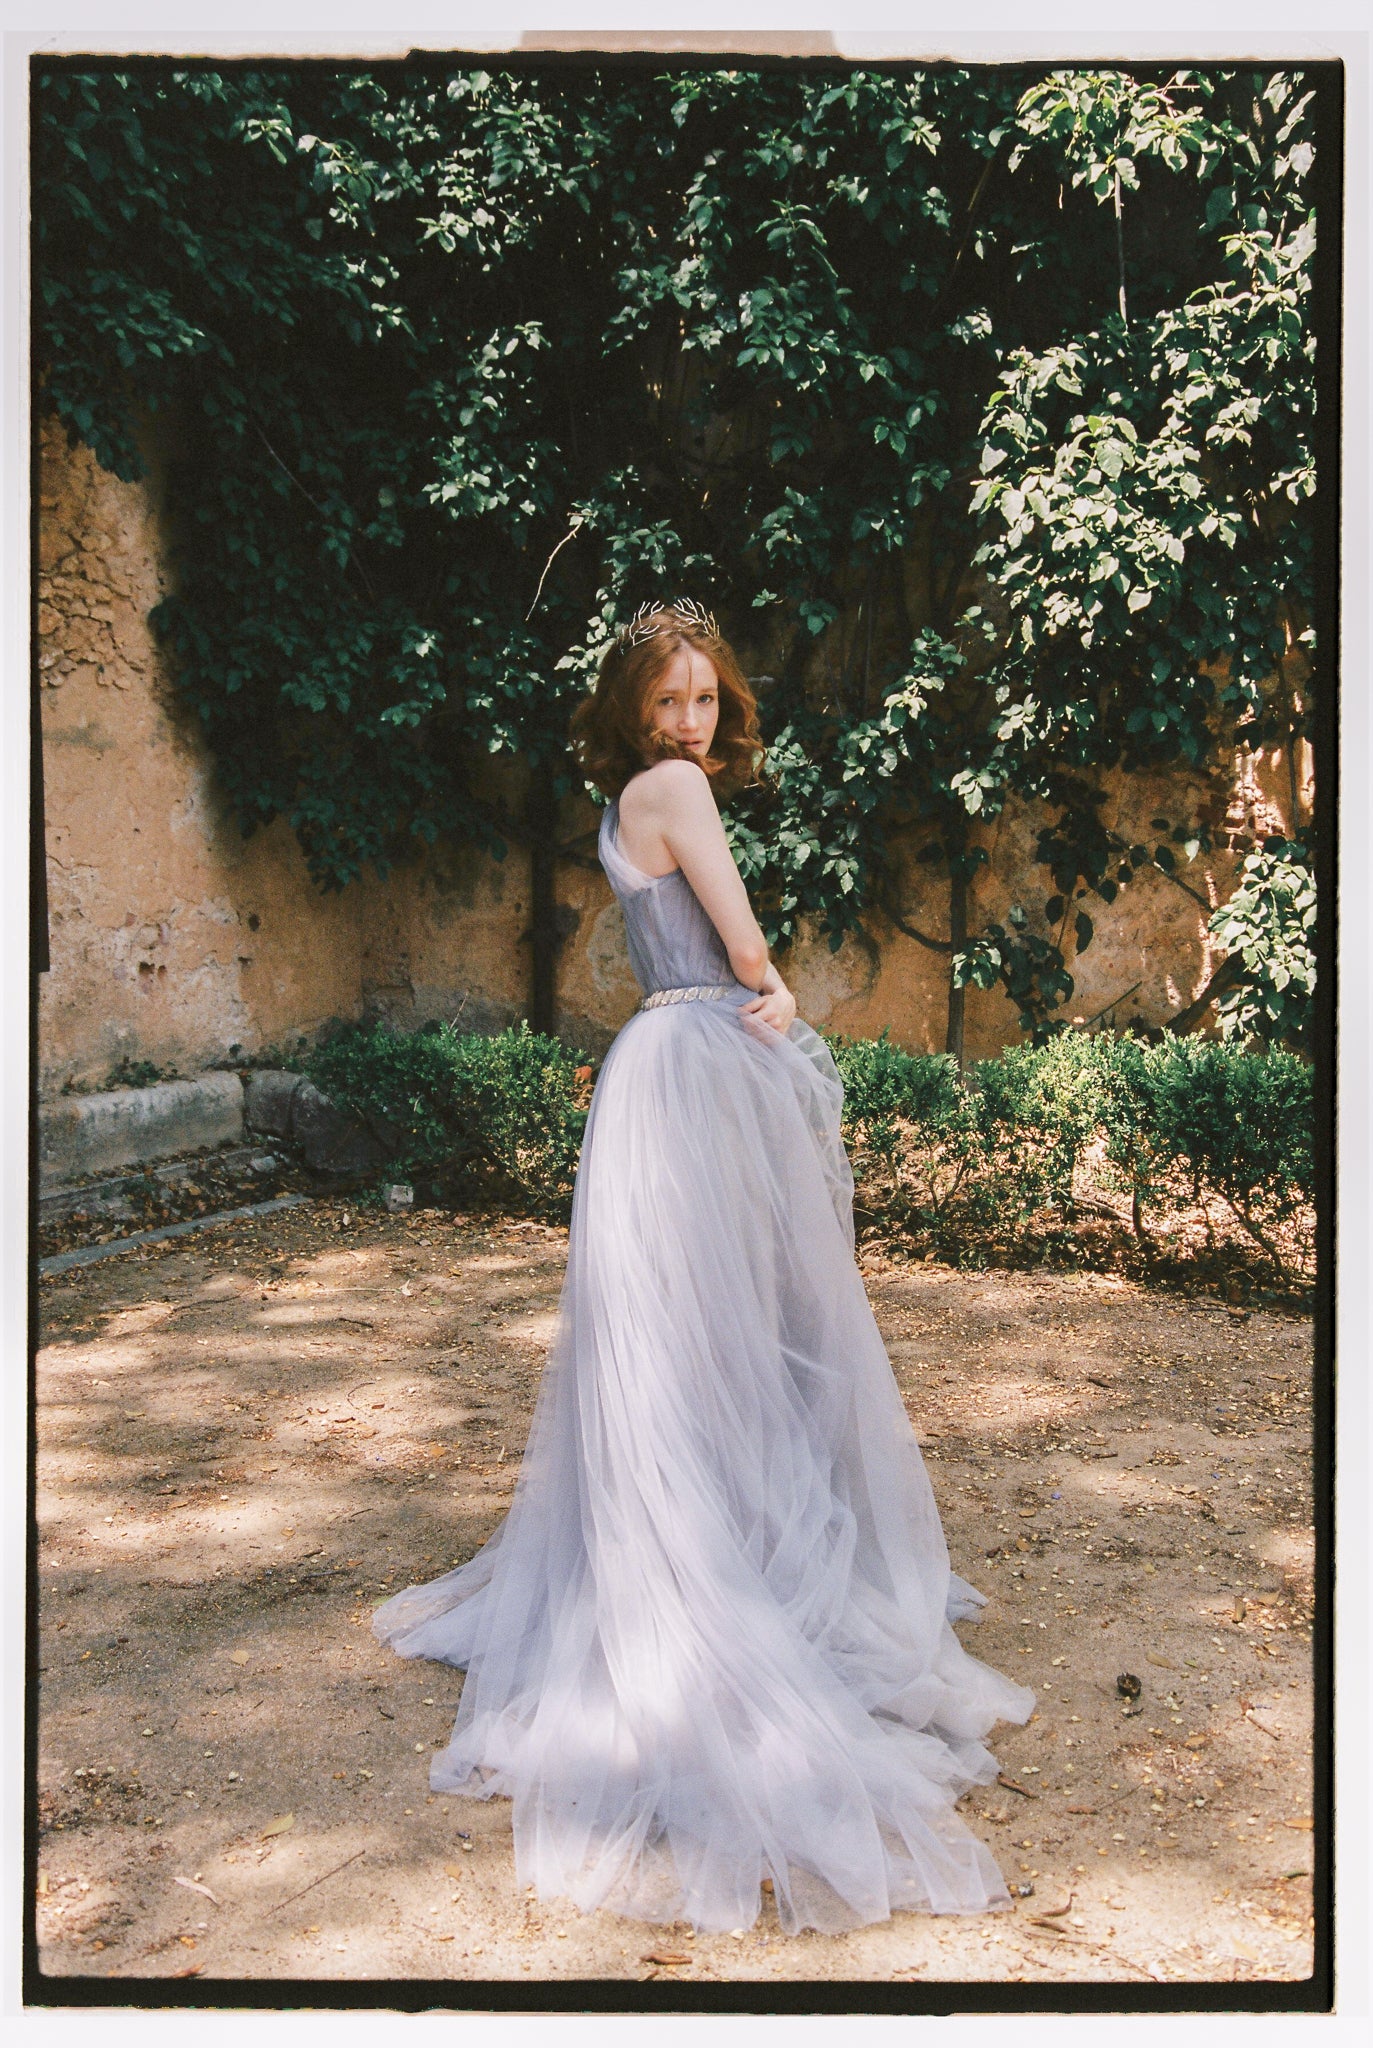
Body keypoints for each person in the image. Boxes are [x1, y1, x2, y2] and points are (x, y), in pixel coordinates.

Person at [372, 600, 1036, 1937]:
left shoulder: (625, 801)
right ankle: (726, 1566)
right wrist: (779, 998)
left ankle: (701, 1531)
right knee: (743, 1320)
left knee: (677, 1339)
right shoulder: (672, 787)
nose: (690, 725)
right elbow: (737, 943)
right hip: (700, 1056)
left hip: (651, 1071)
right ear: (634, 709)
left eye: (705, 703)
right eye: (669, 702)